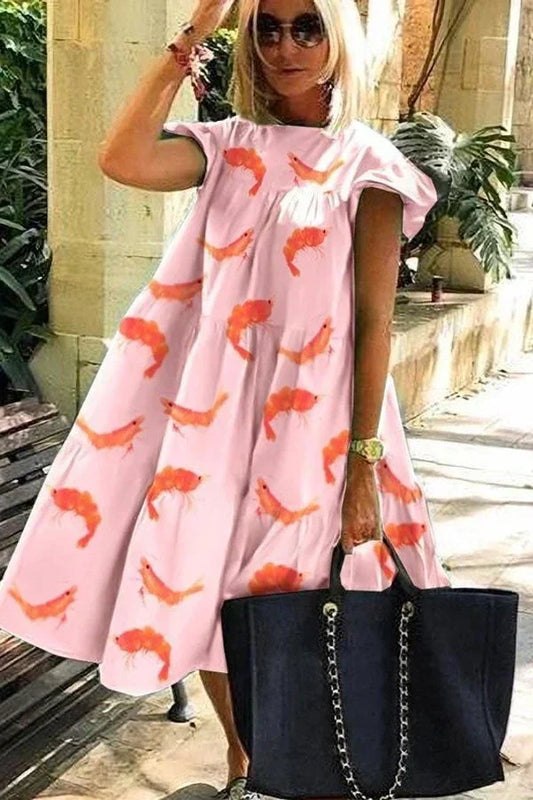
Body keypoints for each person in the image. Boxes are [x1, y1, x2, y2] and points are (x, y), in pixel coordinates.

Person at [0, 0, 451, 798]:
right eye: (267, 27)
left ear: (336, 38)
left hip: (316, 427)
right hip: (211, 419)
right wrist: (191, 38)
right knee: (209, 587)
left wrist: (363, 464)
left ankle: (307, 761)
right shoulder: (227, 146)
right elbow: (121, 158)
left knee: (295, 592)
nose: (285, 45)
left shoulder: (368, 165)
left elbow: (374, 322)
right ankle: (245, 764)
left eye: (306, 26)